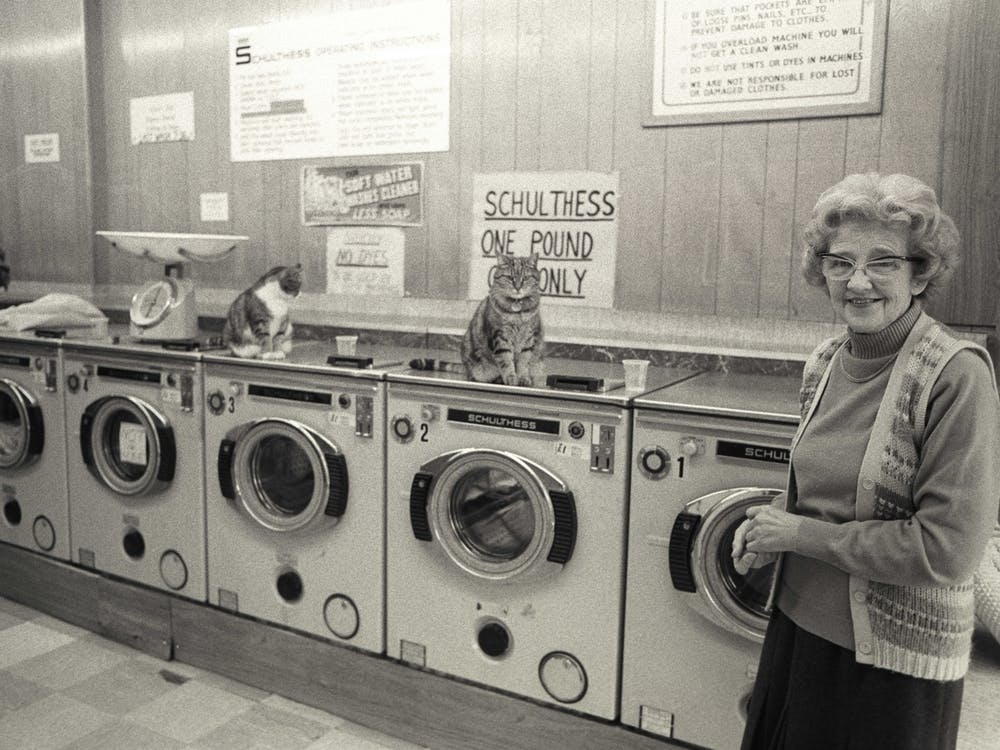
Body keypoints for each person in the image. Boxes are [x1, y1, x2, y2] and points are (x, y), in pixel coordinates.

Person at [731, 172, 1000, 750]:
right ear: (819, 268)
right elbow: (820, 493)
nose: (857, 281)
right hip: (796, 632)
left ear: (920, 270)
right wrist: (768, 526)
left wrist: (797, 534)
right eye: (839, 262)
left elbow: (946, 550)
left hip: (894, 661)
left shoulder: (956, 376)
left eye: (883, 261)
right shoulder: (826, 360)